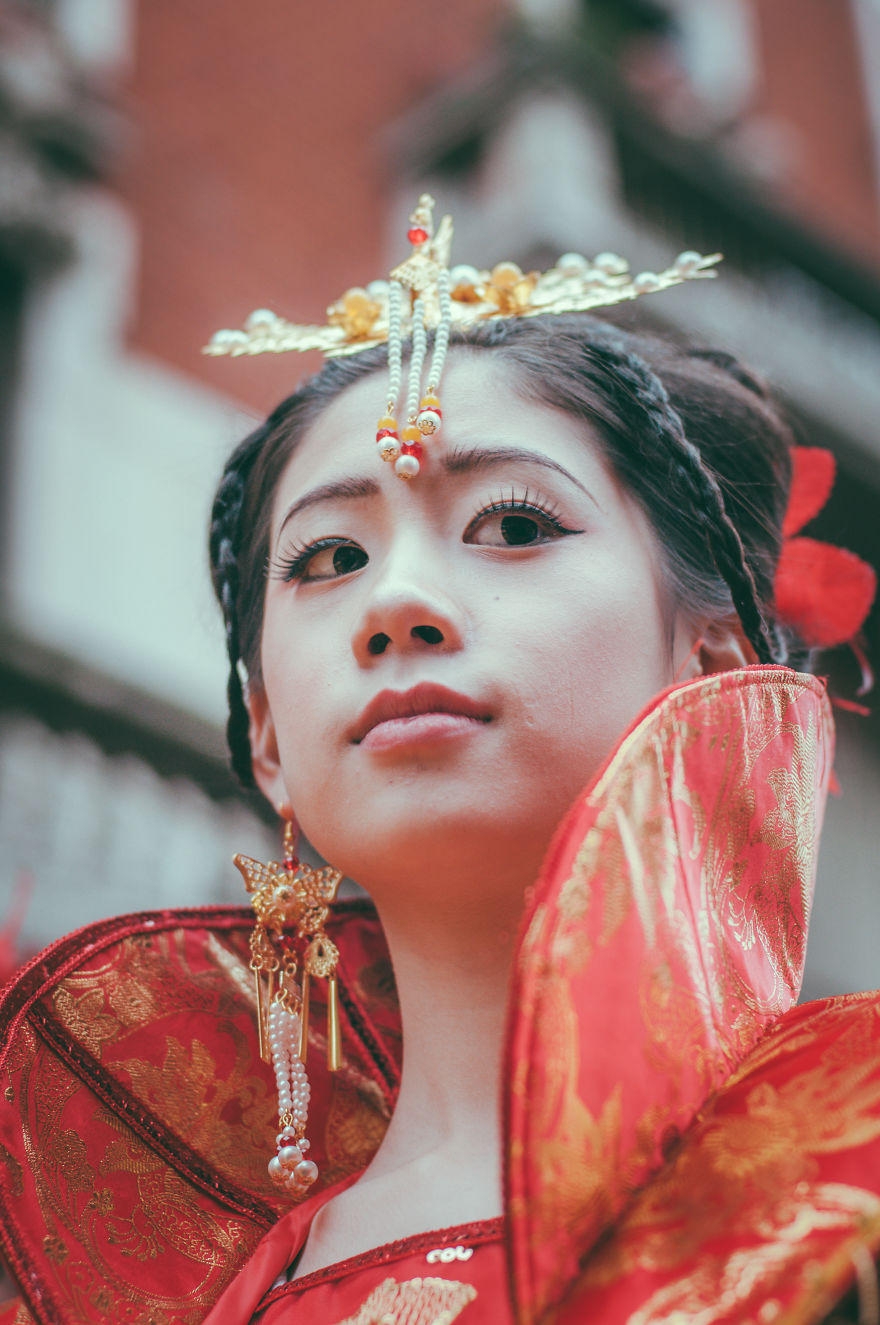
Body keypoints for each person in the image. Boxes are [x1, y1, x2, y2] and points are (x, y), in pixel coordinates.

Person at [0, 211, 878, 1325]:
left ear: (707, 655)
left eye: (511, 525)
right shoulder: (161, 1294)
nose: (396, 602)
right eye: (329, 558)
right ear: (267, 735)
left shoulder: (849, 1158)